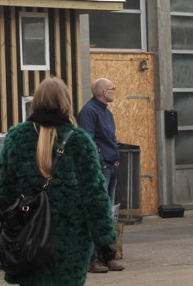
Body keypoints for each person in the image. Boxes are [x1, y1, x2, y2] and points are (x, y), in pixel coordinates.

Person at [0, 76, 117, 286]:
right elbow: (95, 195)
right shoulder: (80, 141)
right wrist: (105, 239)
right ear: (65, 103)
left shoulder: (16, 138)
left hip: (28, 240)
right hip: (70, 243)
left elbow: (3, 192)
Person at [77, 77, 124, 273]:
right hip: (102, 168)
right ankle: (94, 258)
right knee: (98, 212)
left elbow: (108, 137)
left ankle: (108, 255)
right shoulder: (89, 111)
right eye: (113, 88)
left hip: (111, 165)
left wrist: (114, 157)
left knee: (108, 214)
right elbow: (87, 139)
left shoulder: (107, 112)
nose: (114, 91)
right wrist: (102, 161)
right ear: (104, 92)